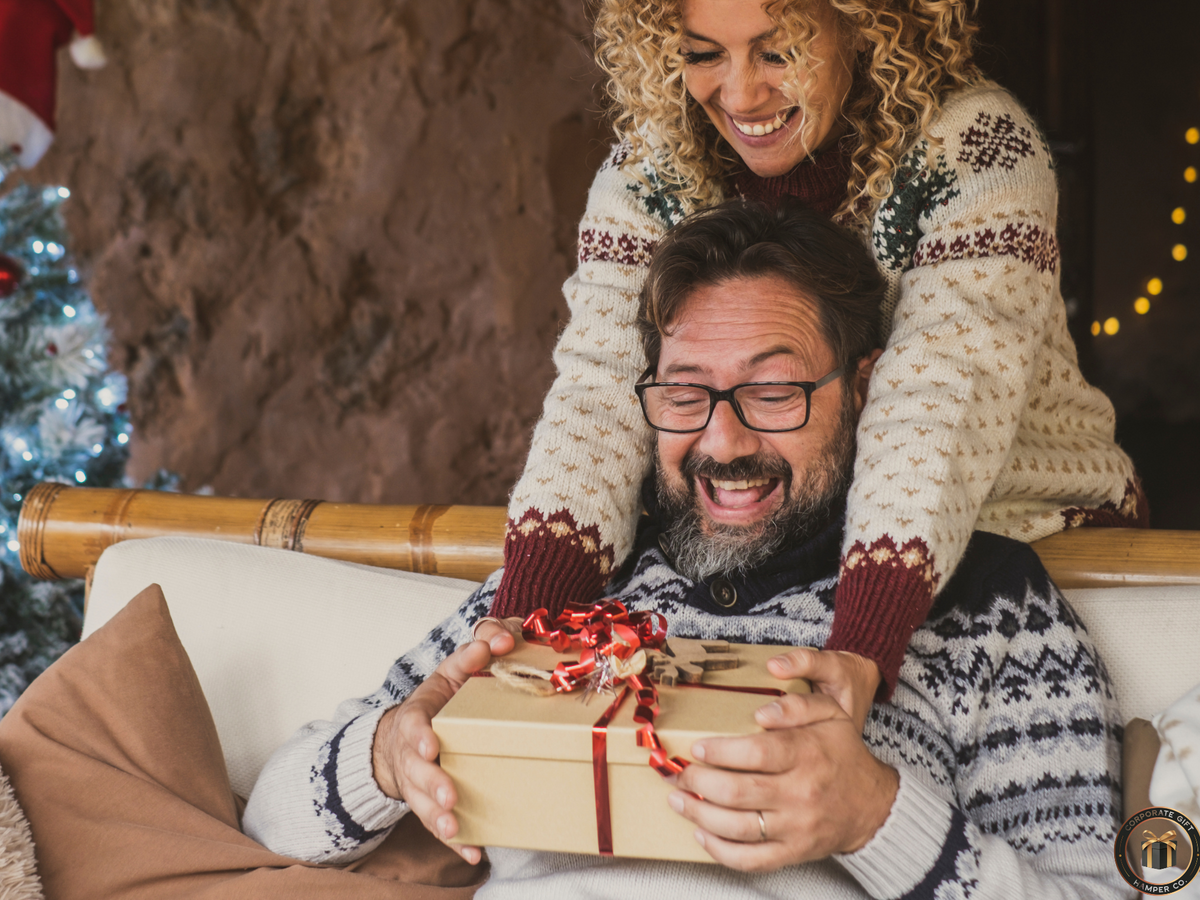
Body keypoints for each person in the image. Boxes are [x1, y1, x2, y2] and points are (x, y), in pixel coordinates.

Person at [244, 201, 1132, 899]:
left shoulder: (985, 604)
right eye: (684, 393)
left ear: (865, 389)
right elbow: (270, 818)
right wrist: (386, 758)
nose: (722, 441)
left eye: (774, 391)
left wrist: (874, 817)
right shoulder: (573, 584)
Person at [488, 0, 1145, 725]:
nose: (739, 95)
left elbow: (939, 399)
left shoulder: (976, 149)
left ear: (869, 23)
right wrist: (520, 627)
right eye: (703, 54)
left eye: (779, 52)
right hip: (793, 549)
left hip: (1015, 537)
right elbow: (601, 390)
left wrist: (859, 651)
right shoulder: (651, 166)